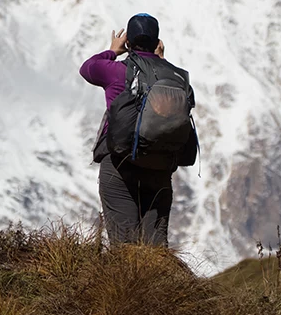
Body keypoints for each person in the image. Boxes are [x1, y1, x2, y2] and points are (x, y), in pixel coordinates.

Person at [80, 13, 196, 248]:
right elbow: (185, 106)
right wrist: (162, 63)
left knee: (124, 247)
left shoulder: (117, 71)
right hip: (160, 166)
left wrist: (113, 50)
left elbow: (87, 68)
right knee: (155, 247)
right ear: (157, 43)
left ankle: (127, 285)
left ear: (129, 43)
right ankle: (162, 285)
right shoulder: (179, 79)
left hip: (120, 165)